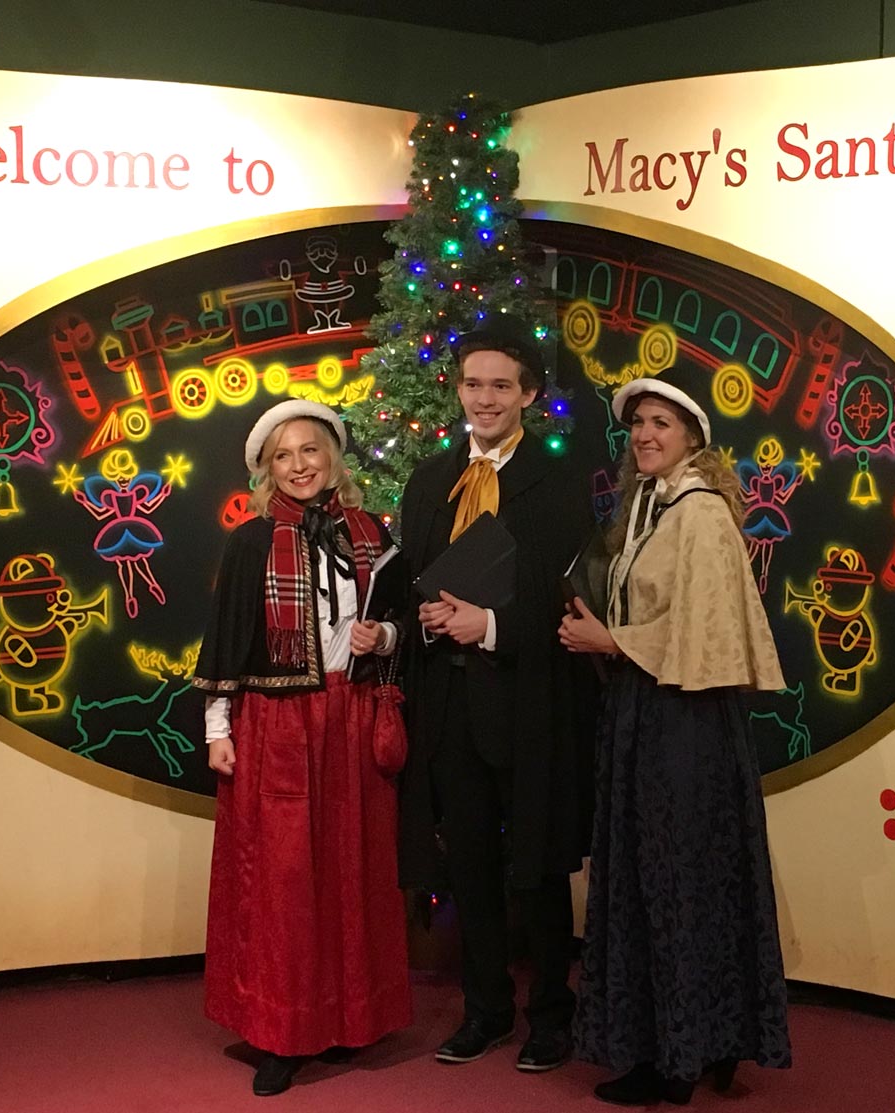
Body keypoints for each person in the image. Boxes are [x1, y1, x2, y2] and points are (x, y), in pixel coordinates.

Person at [559, 376, 792, 1106]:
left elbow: (705, 629)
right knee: (658, 877)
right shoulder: (648, 509)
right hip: (648, 714)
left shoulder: (698, 513)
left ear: (693, 436)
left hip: (683, 725)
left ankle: (676, 1058)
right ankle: (701, 1041)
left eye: (661, 423)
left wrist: (609, 639)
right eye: (637, 425)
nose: (645, 435)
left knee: (675, 881)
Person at [192, 400, 411, 1097]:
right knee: (285, 882)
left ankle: (350, 1018)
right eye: (284, 456)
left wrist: (391, 637)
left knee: (355, 866)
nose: (299, 466)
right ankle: (281, 1032)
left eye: (310, 451)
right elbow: (226, 640)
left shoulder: (372, 535)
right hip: (280, 722)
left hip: (352, 714)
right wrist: (218, 729)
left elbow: (397, 614)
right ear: (267, 469)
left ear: (333, 457)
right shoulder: (251, 541)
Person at [397, 316, 595, 1073]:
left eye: (501, 386)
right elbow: (413, 574)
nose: (484, 399)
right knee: (471, 864)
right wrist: (416, 620)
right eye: (473, 383)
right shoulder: (427, 481)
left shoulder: (559, 480)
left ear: (530, 395)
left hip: (527, 700)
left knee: (539, 865)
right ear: (458, 388)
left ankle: (551, 1014)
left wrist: (488, 624)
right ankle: (485, 1010)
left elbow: (561, 598)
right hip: (448, 705)